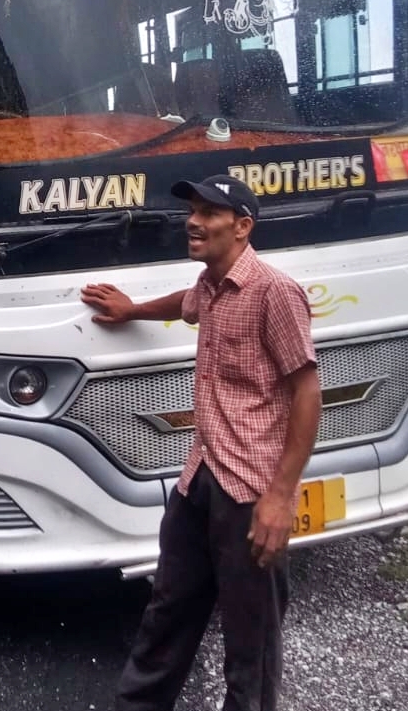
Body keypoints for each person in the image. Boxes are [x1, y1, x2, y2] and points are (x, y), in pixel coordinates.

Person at [81, 174, 321, 711]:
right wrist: (132, 309)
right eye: (191, 209)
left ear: (242, 227)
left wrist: (281, 498)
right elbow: (183, 303)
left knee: (250, 647)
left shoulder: (274, 292)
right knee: (167, 612)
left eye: (209, 213)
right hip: (200, 480)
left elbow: (308, 393)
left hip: (250, 495)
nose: (193, 220)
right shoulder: (212, 286)